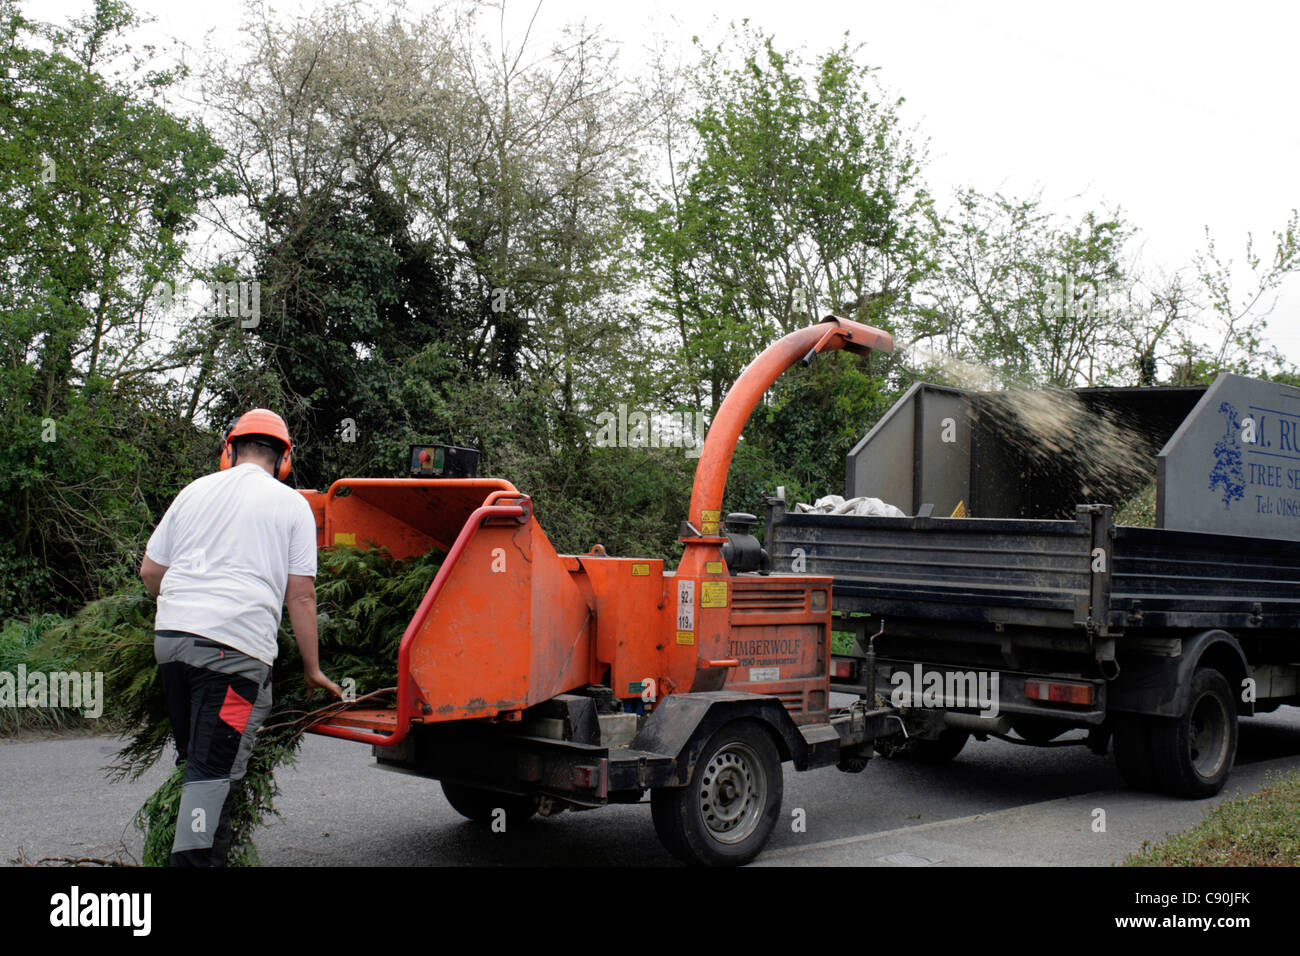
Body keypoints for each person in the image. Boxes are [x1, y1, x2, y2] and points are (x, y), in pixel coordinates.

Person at [139, 408, 342, 866]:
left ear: (228, 450)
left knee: (196, 764)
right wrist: (311, 668)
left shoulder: (193, 491)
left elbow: (151, 572)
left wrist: (186, 608)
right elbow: (302, 595)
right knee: (213, 778)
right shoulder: (292, 506)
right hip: (234, 661)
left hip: (171, 646)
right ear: (284, 460)